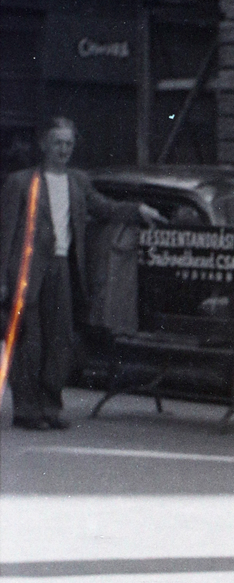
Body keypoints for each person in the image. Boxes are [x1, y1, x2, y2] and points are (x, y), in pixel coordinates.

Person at [0, 117, 162, 429]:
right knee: (29, 342)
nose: (64, 150)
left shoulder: (78, 181)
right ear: (44, 144)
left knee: (60, 341)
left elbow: (103, 207)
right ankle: (27, 410)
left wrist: (137, 210)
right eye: (58, 143)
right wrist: (2, 281)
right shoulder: (20, 183)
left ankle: (50, 407)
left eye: (69, 144)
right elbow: (5, 234)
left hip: (63, 269)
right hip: (26, 272)